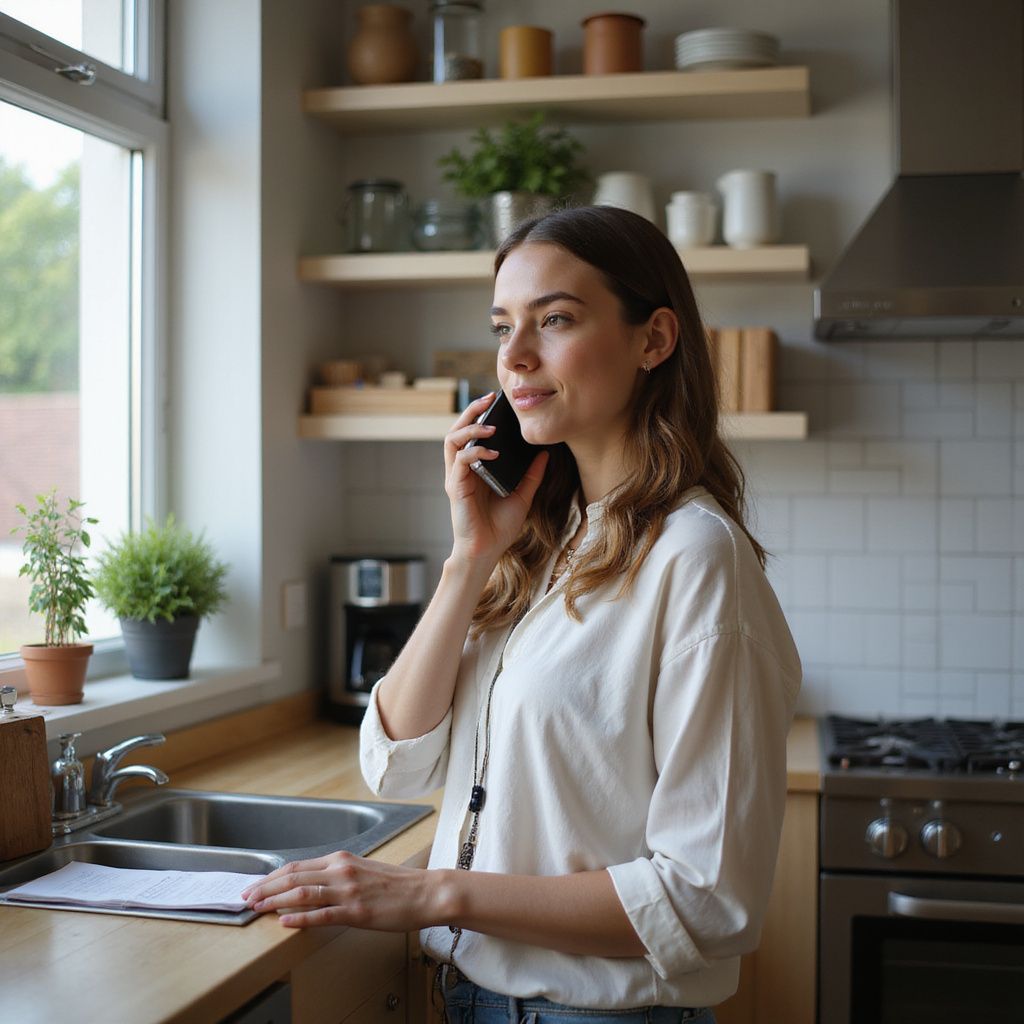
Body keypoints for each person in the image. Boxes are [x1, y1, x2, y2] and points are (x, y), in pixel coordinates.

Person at [240, 205, 801, 1023]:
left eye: (557, 320)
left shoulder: (696, 557)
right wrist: (470, 557)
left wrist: (435, 892)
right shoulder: (548, 542)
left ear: (655, 339)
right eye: (504, 327)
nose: (516, 358)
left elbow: (705, 898)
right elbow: (395, 762)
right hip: (475, 1002)